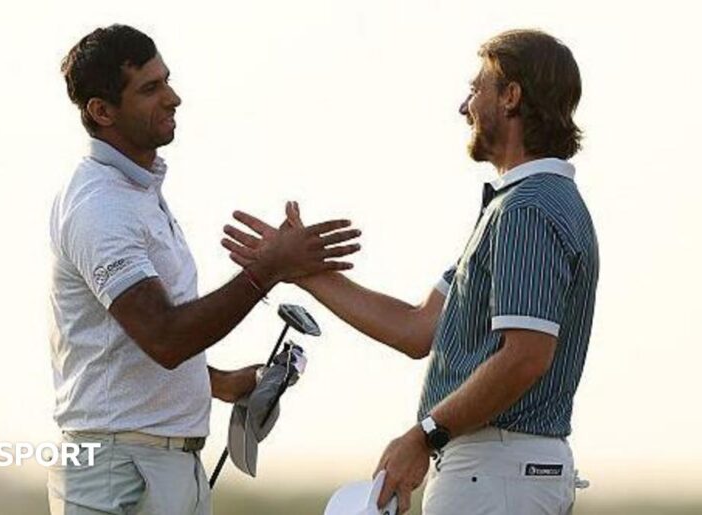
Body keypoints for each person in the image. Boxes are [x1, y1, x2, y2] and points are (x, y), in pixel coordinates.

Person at [223, 29, 598, 515]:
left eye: (476, 88)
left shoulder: (527, 209)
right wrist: (300, 271)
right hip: (502, 471)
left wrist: (424, 437)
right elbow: (417, 328)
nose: (464, 107)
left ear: (511, 97)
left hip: (496, 472)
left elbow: (525, 357)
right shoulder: (517, 206)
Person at [49, 24, 360, 515]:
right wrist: (268, 270)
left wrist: (217, 382)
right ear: (102, 111)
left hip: (155, 460)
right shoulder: (100, 205)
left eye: (166, 81)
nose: (173, 98)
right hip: (120, 467)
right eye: (150, 89)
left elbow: (129, 343)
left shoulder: (135, 192)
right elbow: (165, 337)